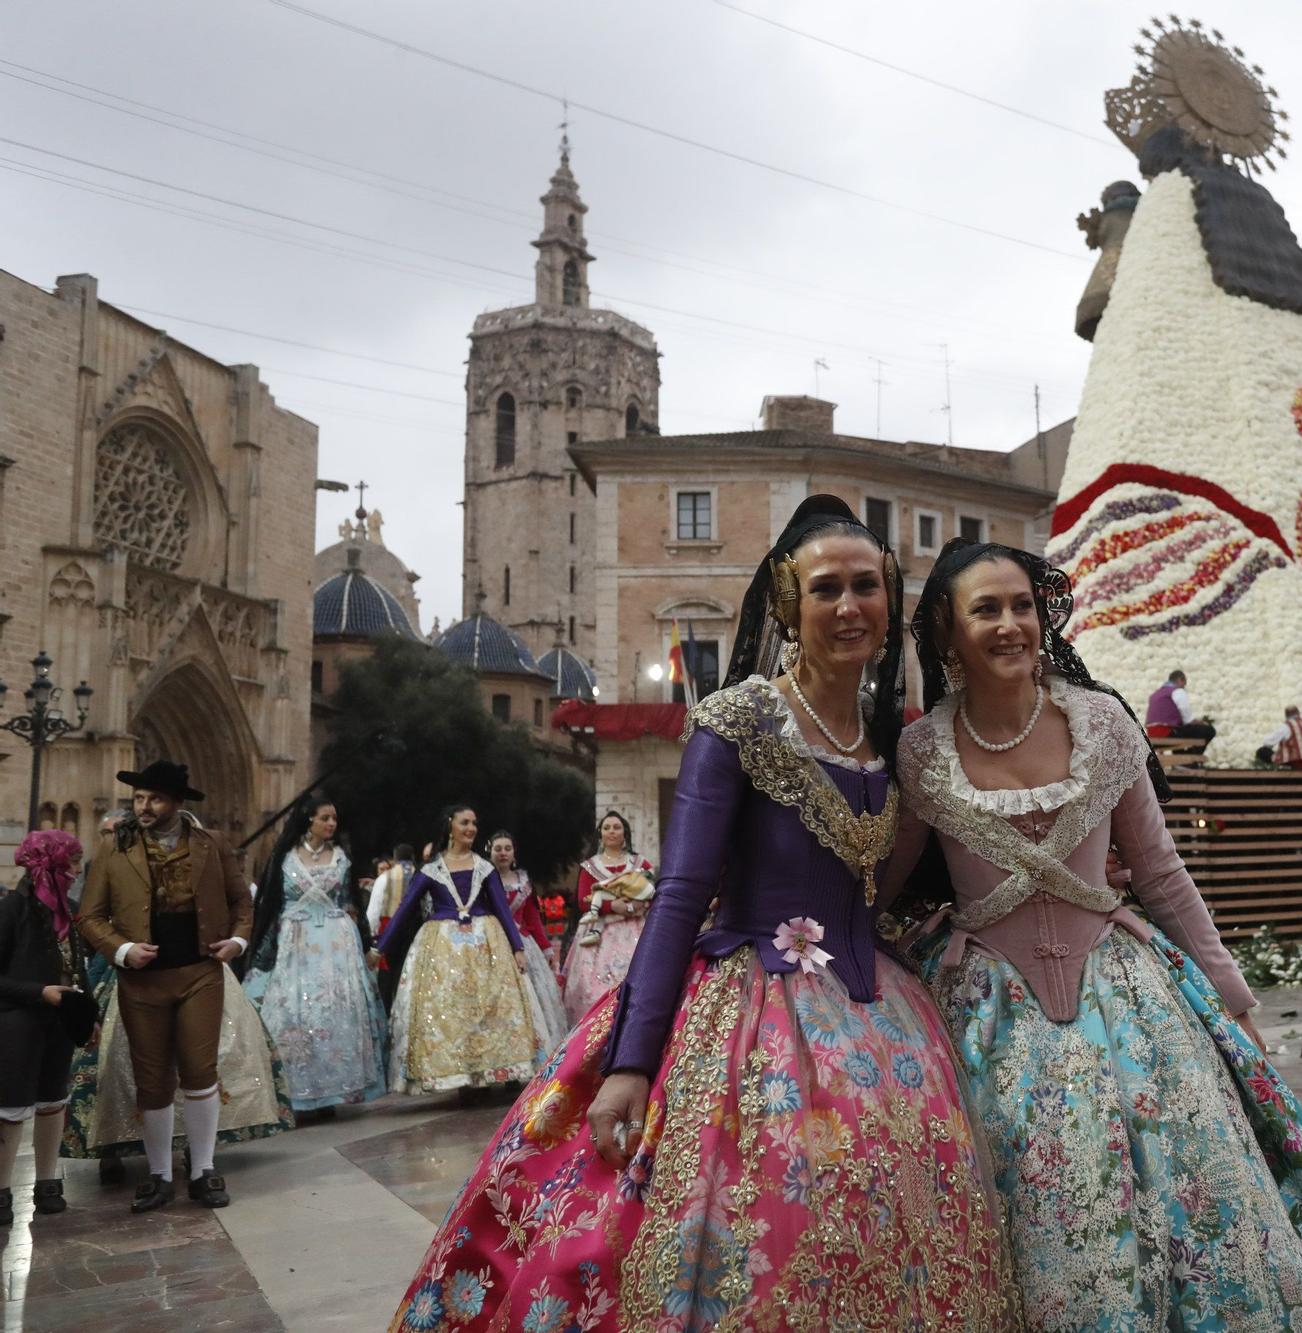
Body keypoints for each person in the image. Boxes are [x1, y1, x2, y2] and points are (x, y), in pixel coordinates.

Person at [386, 496, 1018, 1330]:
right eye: (826, 587)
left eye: (868, 586)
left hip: (886, 1022)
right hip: (749, 1019)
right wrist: (631, 1061)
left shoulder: (885, 741)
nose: (850, 605)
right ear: (790, 602)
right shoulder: (737, 721)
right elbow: (681, 894)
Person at [889, 539, 1302, 1328]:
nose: (1011, 623)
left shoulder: (1102, 721)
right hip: (980, 1009)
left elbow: (1159, 872)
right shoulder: (920, 751)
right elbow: (884, 884)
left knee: (1185, 1194)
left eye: (1022, 604)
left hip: (1125, 994)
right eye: (986, 608)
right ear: (948, 631)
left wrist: (1231, 995)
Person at [77, 760, 256, 1211]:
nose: (144, 806)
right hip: (142, 982)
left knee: (200, 1073)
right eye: (139, 798)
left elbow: (241, 899)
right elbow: (89, 916)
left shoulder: (210, 844)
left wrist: (237, 939)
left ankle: (203, 1171)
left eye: (154, 798)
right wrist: (121, 951)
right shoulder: (115, 849)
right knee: (152, 1080)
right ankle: (159, 1175)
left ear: (176, 803)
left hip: (199, 973)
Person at [370, 806, 536, 1095]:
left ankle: (490, 1072)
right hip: (443, 947)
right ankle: (462, 1079)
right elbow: (404, 911)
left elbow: (502, 909)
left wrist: (517, 947)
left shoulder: (485, 868)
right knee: (451, 1010)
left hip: (486, 943)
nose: (471, 828)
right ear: (450, 826)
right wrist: (379, 948)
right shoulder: (431, 870)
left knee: (489, 1008)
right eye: (465, 823)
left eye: (474, 823)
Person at [240, 796, 387, 1118]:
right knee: (293, 1015)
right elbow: (271, 903)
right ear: (309, 820)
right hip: (294, 943)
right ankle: (296, 1093)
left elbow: (352, 904)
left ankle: (331, 1094)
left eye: (334, 818)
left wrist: (365, 944)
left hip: (337, 946)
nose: (331, 824)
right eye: (325, 818)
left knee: (334, 1014)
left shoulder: (341, 858)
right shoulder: (285, 858)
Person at [0, 831, 89, 1227]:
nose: (76, 870)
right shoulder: (12, 910)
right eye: (71, 862)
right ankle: (2, 1190)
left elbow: (78, 966)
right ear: (49, 865)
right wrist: (40, 992)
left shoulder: (69, 909)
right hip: (17, 1020)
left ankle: (47, 1181)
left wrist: (89, 1016)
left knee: (54, 1099)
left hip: (59, 1023)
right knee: (12, 1106)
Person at [559, 810, 653, 1026]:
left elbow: (655, 893)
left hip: (636, 929)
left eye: (616, 827)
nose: (612, 831)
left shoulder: (640, 863)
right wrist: (613, 905)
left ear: (625, 833)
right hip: (599, 933)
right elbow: (583, 900)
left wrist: (637, 904)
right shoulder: (591, 866)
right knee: (593, 990)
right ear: (600, 835)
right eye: (607, 827)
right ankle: (595, 1034)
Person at [487, 831, 565, 1059]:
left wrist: (546, 948)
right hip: (494, 945)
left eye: (507, 849)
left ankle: (530, 1055)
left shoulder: (523, 881)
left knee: (534, 1002)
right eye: (498, 849)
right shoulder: (483, 881)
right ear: (489, 852)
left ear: (514, 853)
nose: (503, 853)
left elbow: (532, 918)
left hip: (525, 947)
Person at [1144, 667, 1216, 742]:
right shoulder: (1177, 691)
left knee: (1183, 731)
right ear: (1181, 680)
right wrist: (1203, 723)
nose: (1184, 687)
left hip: (1151, 734)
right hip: (1166, 732)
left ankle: (1185, 752)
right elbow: (1188, 720)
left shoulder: (1156, 694)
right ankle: (1191, 753)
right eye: (1184, 685)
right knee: (1209, 730)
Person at [1256, 702, 1302, 767]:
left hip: (1295, 762)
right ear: (1298, 713)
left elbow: (1268, 742)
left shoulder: (1287, 725)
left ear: (1286, 715)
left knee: (1262, 751)